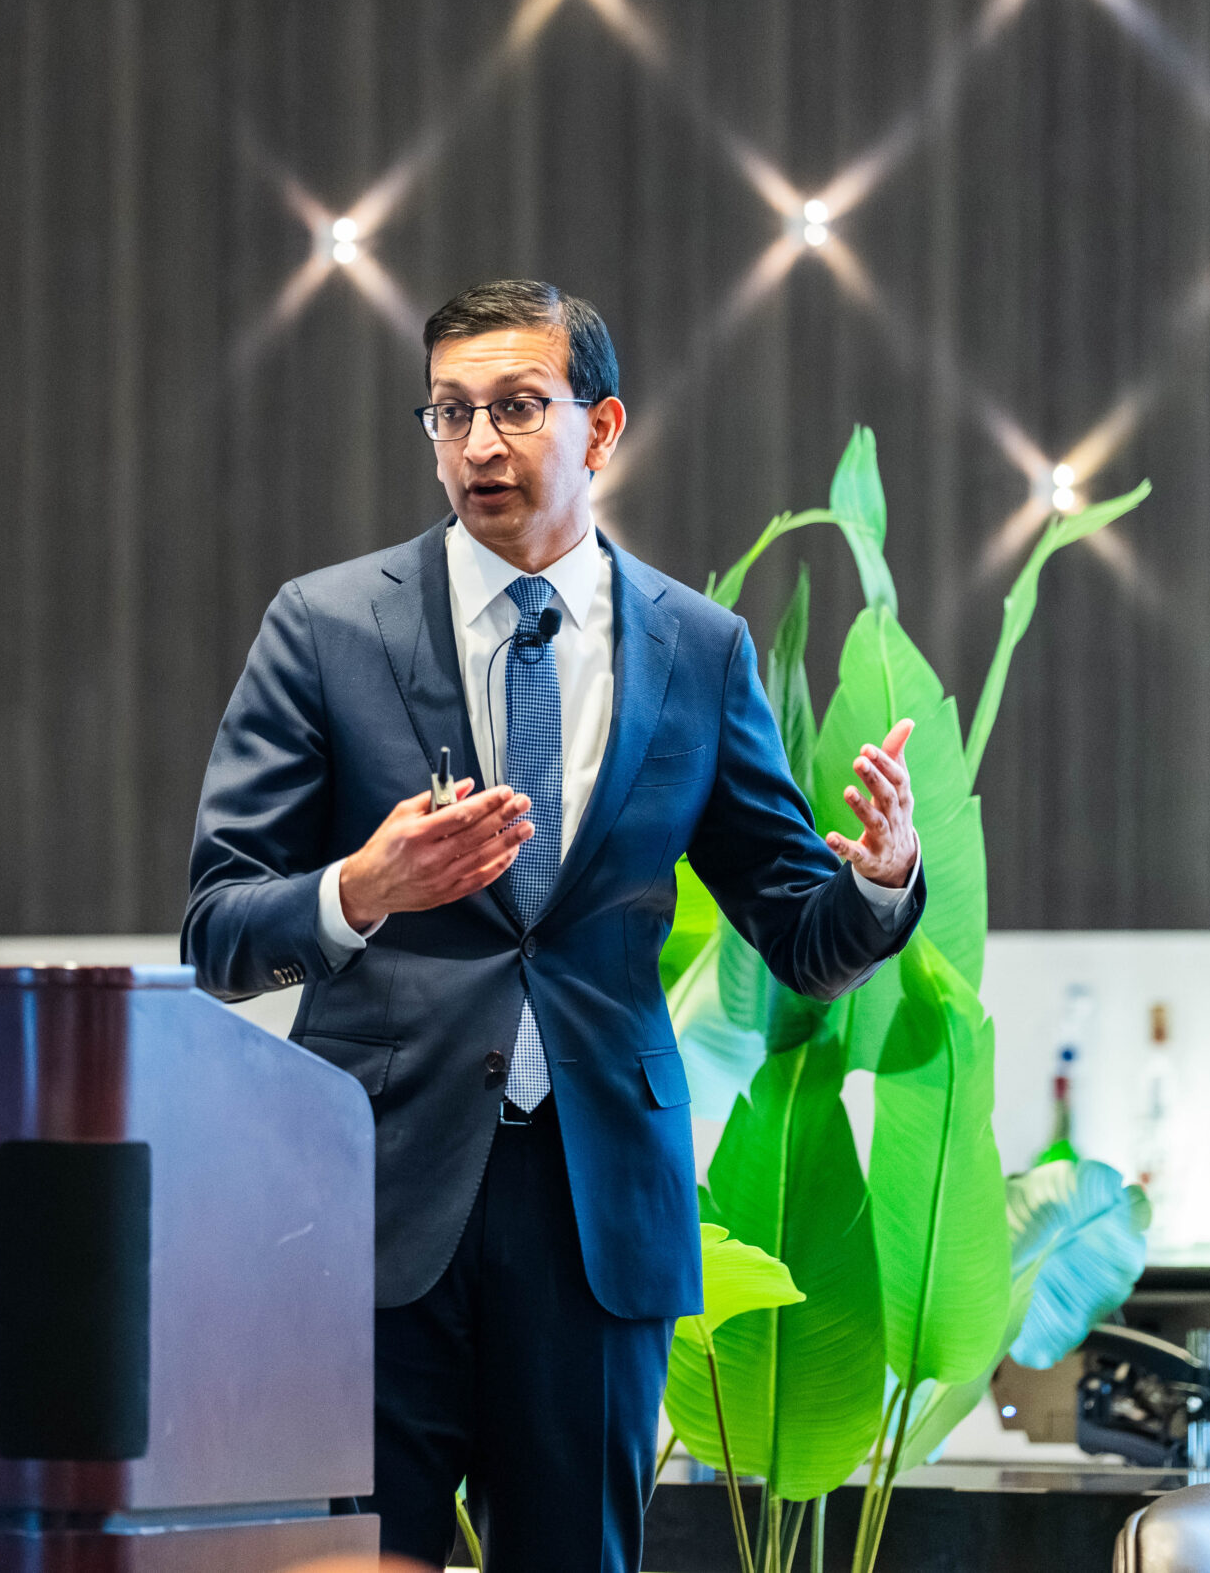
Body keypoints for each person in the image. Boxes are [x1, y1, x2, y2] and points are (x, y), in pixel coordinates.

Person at [184, 279, 923, 1572]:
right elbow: (216, 927)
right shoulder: (327, 626)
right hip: (376, 1202)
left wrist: (878, 879)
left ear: (603, 427)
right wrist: (362, 888)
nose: (480, 444)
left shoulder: (699, 651)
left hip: (598, 1215)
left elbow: (800, 935)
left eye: (519, 407)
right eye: (451, 412)